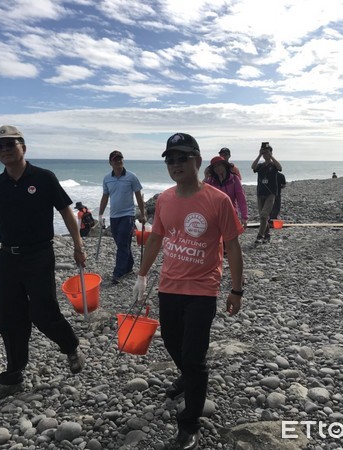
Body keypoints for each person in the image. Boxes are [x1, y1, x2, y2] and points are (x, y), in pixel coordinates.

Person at [133, 132, 244, 450]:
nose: (175, 164)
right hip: (169, 286)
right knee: (170, 341)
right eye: (170, 159)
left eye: (182, 158)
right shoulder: (165, 199)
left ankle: (190, 424)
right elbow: (156, 238)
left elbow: (233, 247)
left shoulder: (217, 200)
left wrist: (236, 290)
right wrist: (142, 275)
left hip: (203, 289)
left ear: (196, 160)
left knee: (194, 358)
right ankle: (187, 377)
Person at [0, 125, 86, 400]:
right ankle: (13, 376)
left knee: (43, 313)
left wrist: (79, 246)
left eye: (10, 145)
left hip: (39, 255)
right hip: (8, 258)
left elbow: (66, 211)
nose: (4, 150)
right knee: (10, 319)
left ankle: (70, 346)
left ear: (23, 147)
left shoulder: (43, 178)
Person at [98, 151, 146, 284]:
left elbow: (138, 195)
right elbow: (105, 197)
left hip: (128, 215)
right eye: (115, 160)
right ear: (110, 163)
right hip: (114, 216)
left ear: (123, 161)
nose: (118, 162)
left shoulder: (131, 177)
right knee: (122, 243)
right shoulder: (107, 178)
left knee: (122, 244)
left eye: (120, 159)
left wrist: (143, 213)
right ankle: (129, 266)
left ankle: (118, 273)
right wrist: (100, 214)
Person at [251, 142, 282, 244]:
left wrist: (271, 156)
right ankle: (267, 235)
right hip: (260, 193)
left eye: (267, 153)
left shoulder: (273, 165)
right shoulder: (260, 166)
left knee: (264, 215)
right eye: (264, 153)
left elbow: (279, 167)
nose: (265, 155)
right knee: (263, 217)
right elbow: (253, 167)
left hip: (270, 194)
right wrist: (259, 155)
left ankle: (260, 236)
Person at [204, 156, 248, 227]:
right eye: (214, 167)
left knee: (231, 237)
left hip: (231, 215)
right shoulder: (211, 181)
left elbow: (241, 198)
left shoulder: (234, 179)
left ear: (224, 165)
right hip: (215, 216)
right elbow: (203, 194)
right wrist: (206, 177)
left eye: (219, 165)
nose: (217, 168)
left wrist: (244, 216)